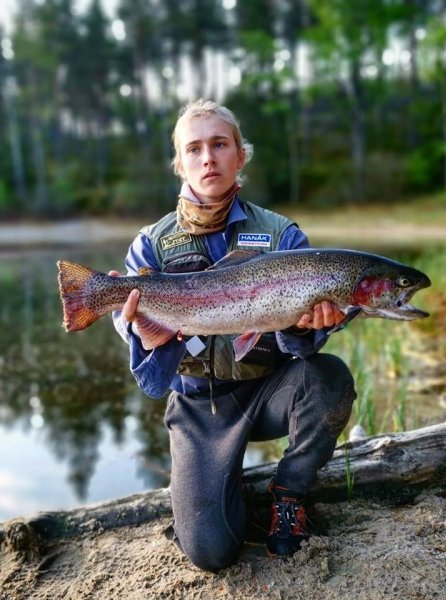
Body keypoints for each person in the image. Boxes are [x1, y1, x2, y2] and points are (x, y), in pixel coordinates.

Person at [111, 99, 356, 572]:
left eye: (220, 144)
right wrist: (145, 336)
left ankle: (289, 494)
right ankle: (216, 488)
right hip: (198, 407)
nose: (209, 158)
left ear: (240, 155)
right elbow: (141, 351)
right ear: (179, 163)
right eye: (195, 148)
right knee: (210, 551)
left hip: (268, 390)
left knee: (328, 376)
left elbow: (300, 350)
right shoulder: (150, 244)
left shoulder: (283, 236)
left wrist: (309, 327)